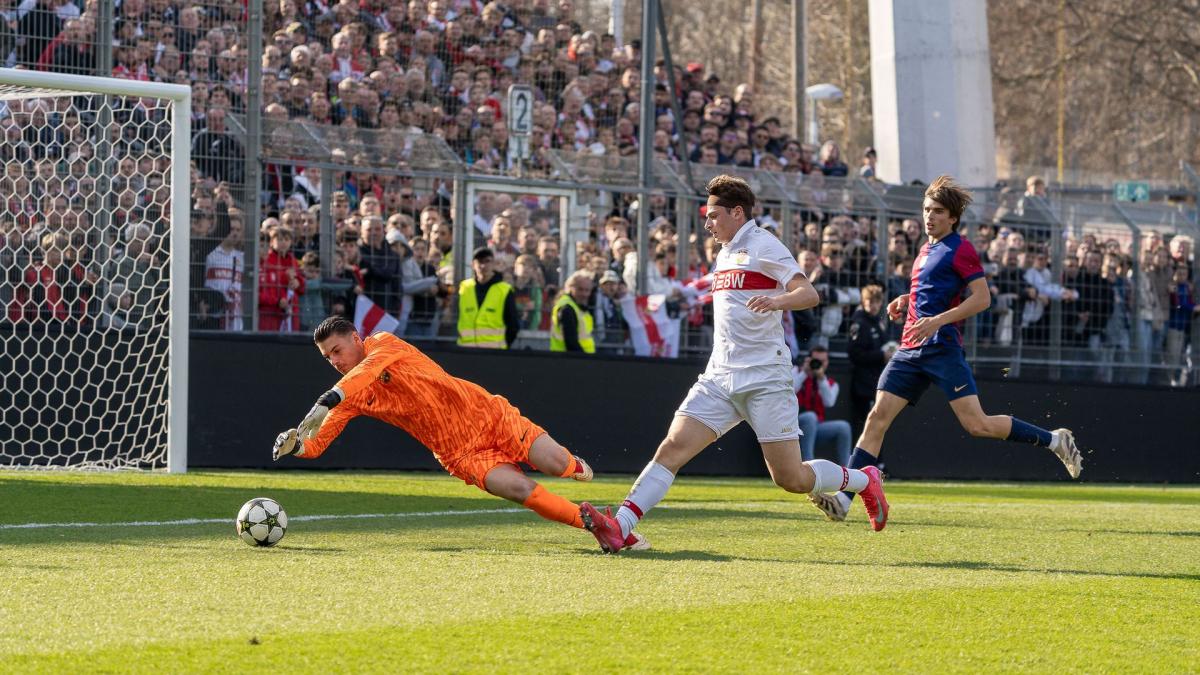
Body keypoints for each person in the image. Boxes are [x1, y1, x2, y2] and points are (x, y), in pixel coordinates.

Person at [578, 175, 890, 553]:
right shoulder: (723, 253)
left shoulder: (763, 243)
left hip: (765, 377)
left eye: (713, 215)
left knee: (789, 478)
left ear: (737, 212)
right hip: (719, 376)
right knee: (672, 447)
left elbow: (808, 293)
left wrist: (777, 301)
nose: (707, 223)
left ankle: (863, 480)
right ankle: (621, 526)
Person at [807, 176, 1084, 524]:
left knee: (977, 424)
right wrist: (906, 301)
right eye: (925, 210)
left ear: (952, 217)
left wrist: (937, 320)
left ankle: (1054, 440)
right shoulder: (924, 249)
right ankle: (845, 501)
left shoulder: (961, 248)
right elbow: (933, 292)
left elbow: (982, 299)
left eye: (937, 211)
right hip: (909, 347)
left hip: (941, 349)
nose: (929, 216)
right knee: (876, 418)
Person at [271, 316, 647, 550]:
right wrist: (297, 446)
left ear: (356, 338)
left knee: (555, 463)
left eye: (337, 350)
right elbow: (319, 441)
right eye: (327, 358)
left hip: (488, 415)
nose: (335, 362)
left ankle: (572, 466)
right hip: (459, 453)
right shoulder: (352, 396)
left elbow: (363, 375)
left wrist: (328, 397)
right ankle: (598, 525)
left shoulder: (383, 343)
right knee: (518, 490)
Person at [846, 284, 895, 438]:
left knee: (877, 426)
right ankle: (862, 461)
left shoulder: (878, 322)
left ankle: (877, 462)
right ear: (863, 301)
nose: (873, 305)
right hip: (863, 384)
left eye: (876, 301)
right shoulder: (859, 324)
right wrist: (881, 355)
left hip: (876, 382)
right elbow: (854, 353)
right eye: (870, 301)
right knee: (865, 428)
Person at [793, 345, 853, 466]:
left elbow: (829, 402)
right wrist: (805, 373)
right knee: (810, 417)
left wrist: (821, 379)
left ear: (827, 363)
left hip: (815, 427)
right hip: (792, 425)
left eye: (822, 361)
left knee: (844, 427)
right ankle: (809, 466)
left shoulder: (830, 383)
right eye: (816, 360)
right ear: (808, 359)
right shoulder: (795, 371)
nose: (819, 363)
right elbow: (789, 390)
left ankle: (847, 470)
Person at [456, 247, 520, 349]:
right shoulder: (464, 288)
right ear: (473, 265)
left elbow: (513, 325)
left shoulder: (504, 290)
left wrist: (504, 345)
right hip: (466, 350)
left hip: (494, 352)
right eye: (480, 262)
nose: (483, 265)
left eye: (487, 261)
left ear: (493, 264)